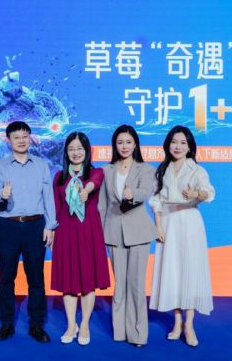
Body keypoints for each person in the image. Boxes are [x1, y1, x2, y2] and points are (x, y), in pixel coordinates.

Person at [0, 121, 57, 343]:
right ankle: (6, 323)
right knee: (6, 276)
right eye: (16, 137)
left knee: (36, 277)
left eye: (25, 136)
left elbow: (48, 197)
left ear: (30, 138)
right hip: (8, 225)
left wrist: (50, 226)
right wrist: (2, 193)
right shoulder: (0, 166)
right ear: (8, 140)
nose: (21, 140)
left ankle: (37, 324)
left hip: (35, 225)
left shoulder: (41, 165)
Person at [149, 125, 215, 347]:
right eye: (174, 142)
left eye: (182, 143)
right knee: (173, 271)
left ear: (189, 147)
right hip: (168, 223)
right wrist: (158, 226)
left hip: (190, 222)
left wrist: (197, 193)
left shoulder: (197, 170)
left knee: (190, 271)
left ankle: (189, 324)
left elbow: (208, 192)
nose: (177, 146)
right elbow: (156, 200)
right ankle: (177, 322)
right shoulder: (162, 170)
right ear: (168, 144)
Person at [98, 125, 156, 346]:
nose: (124, 146)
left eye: (128, 142)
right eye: (120, 142)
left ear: (135, 144)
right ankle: (120, 331)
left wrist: (133, 195)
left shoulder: (145, 169)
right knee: (119, 285)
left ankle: (138, 334)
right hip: (113, 232)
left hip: (139, 233)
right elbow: (102, 206)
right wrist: (99, 233)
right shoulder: (106, 171)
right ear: (115, 144)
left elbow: (145, 192)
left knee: (136, 285)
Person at [51, 132, 109, 345]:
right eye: (71, 149)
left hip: (88, 233)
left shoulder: (96, 172)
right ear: (66, 152)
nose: (75, 153)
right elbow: (56, 207)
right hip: (65, 232)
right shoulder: (59, 177)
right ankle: (70, 324)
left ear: (87, 151)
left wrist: (85, 190)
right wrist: (52, 232)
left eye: (79, 149)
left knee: (87, 281)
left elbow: (94, 182)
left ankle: (84, 324)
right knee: (68, 282)